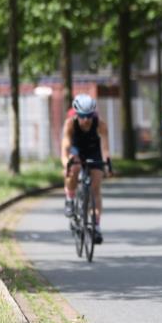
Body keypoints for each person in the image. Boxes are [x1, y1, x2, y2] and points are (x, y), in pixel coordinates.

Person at [61, 94, 112, 244]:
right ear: (77, 114)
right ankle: (70, 199)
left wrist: (107, 163)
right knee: (74, 169)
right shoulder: (70, 124)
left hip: (92, 149)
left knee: (96, 187)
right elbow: (65, 148)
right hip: (76, 149)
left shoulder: (100, 124)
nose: (85, 120)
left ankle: (96, 226)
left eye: (89, 116)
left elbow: (105, 148)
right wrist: (66, 165)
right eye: (82, 116)